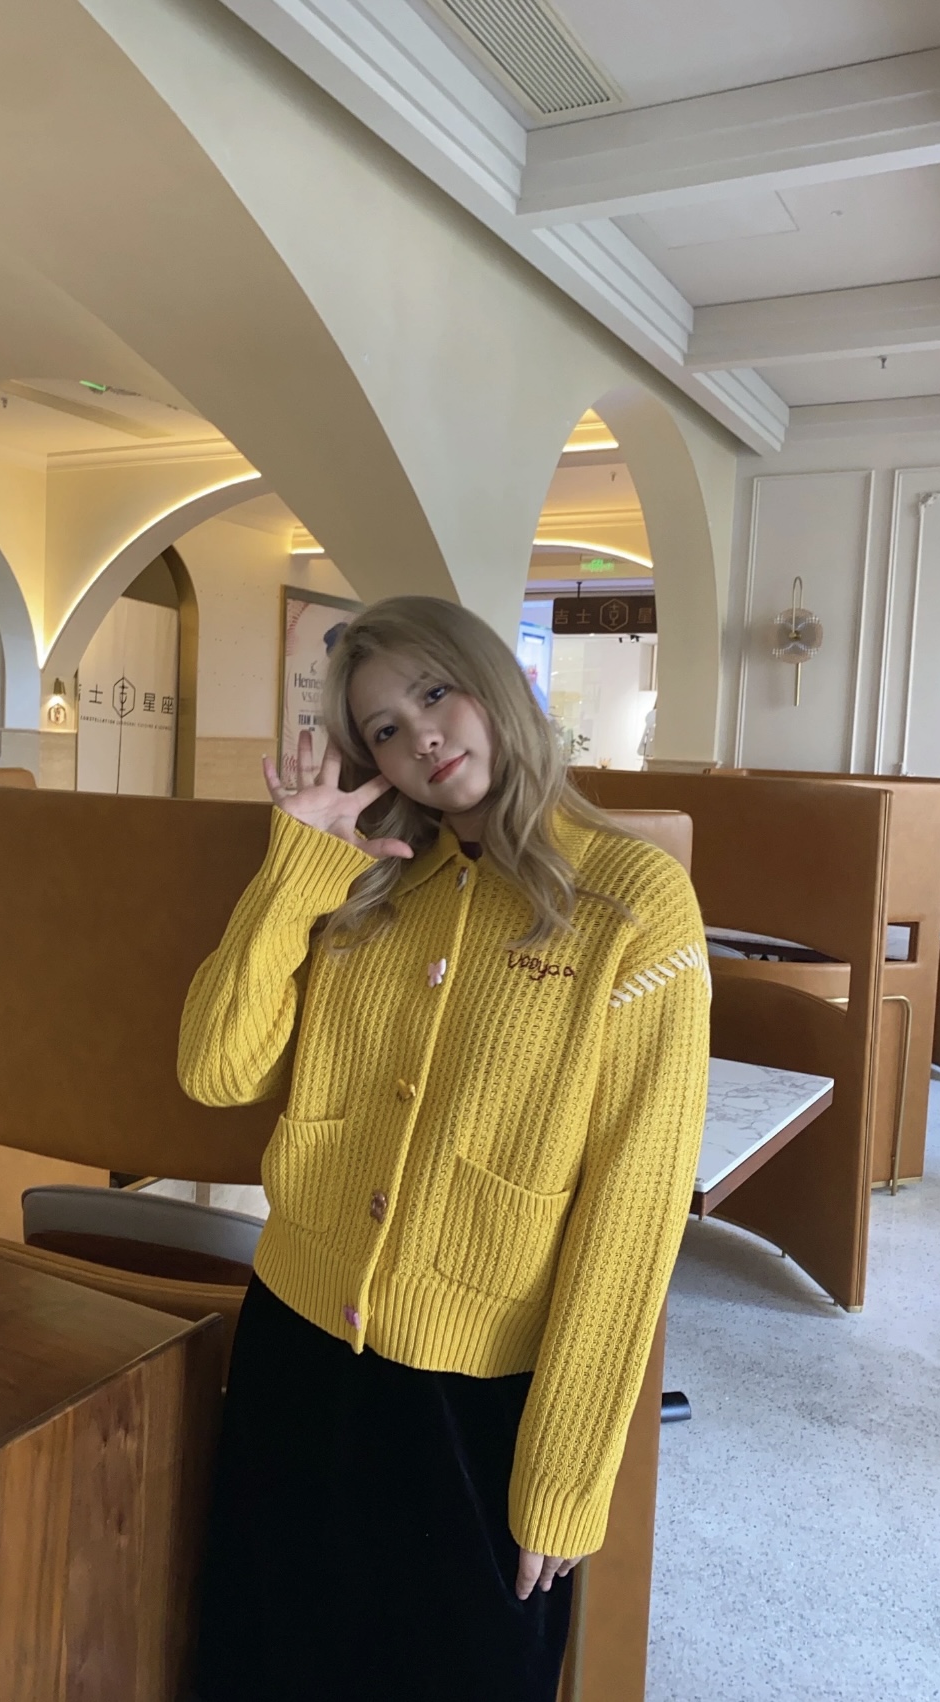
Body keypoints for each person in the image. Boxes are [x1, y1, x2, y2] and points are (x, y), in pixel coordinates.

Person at [179, 596, 710, 1702]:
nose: (419, 735)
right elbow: (215, 1069)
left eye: (434, 691)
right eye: (382, 728)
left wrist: (566, 1475)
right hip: (295, 1353)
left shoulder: (634, 903)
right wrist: (294, 870)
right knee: (260, 1668)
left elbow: (635, 1210)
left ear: (498, 684)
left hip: (472, 1405)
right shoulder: (364, 884)